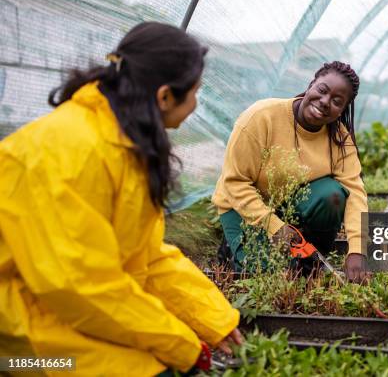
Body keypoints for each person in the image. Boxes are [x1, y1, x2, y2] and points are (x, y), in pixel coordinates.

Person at [0, 22, 242, 376]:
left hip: (59, 308)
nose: (196, 103)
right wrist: (181, 344)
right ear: (164, 97)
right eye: (195, 92)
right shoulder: (70, 150)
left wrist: (213, 319)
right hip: (18, 334)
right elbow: (80, 287)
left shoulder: (122, 143)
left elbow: (146, 256)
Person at [213, 61, 368, 282]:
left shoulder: (339, 140)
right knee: (270, 277)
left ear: (343, 109)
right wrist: (275, 227)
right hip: (242, 208)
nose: (325, 102)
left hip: (289, 205)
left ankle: (308, 263)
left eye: (337, 101)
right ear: (311, 83)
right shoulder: (261, 117)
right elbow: (234, 182)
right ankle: (233, 249)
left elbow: (355, 194)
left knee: (332, 194)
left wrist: (357, 250)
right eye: (322, 90)